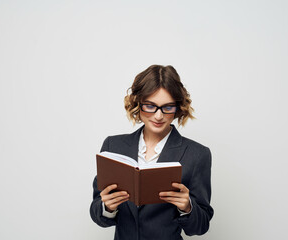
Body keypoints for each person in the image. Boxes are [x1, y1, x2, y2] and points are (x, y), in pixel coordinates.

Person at [90, 65, 214, 240]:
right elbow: (97, 214)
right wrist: (107, 208)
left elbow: (200, 227)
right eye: (150, 106)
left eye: (167, 107)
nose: (158, 116)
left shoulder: (197, 155)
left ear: (178, 108)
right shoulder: (113, 146)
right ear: (137, 104)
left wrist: (187, 207)